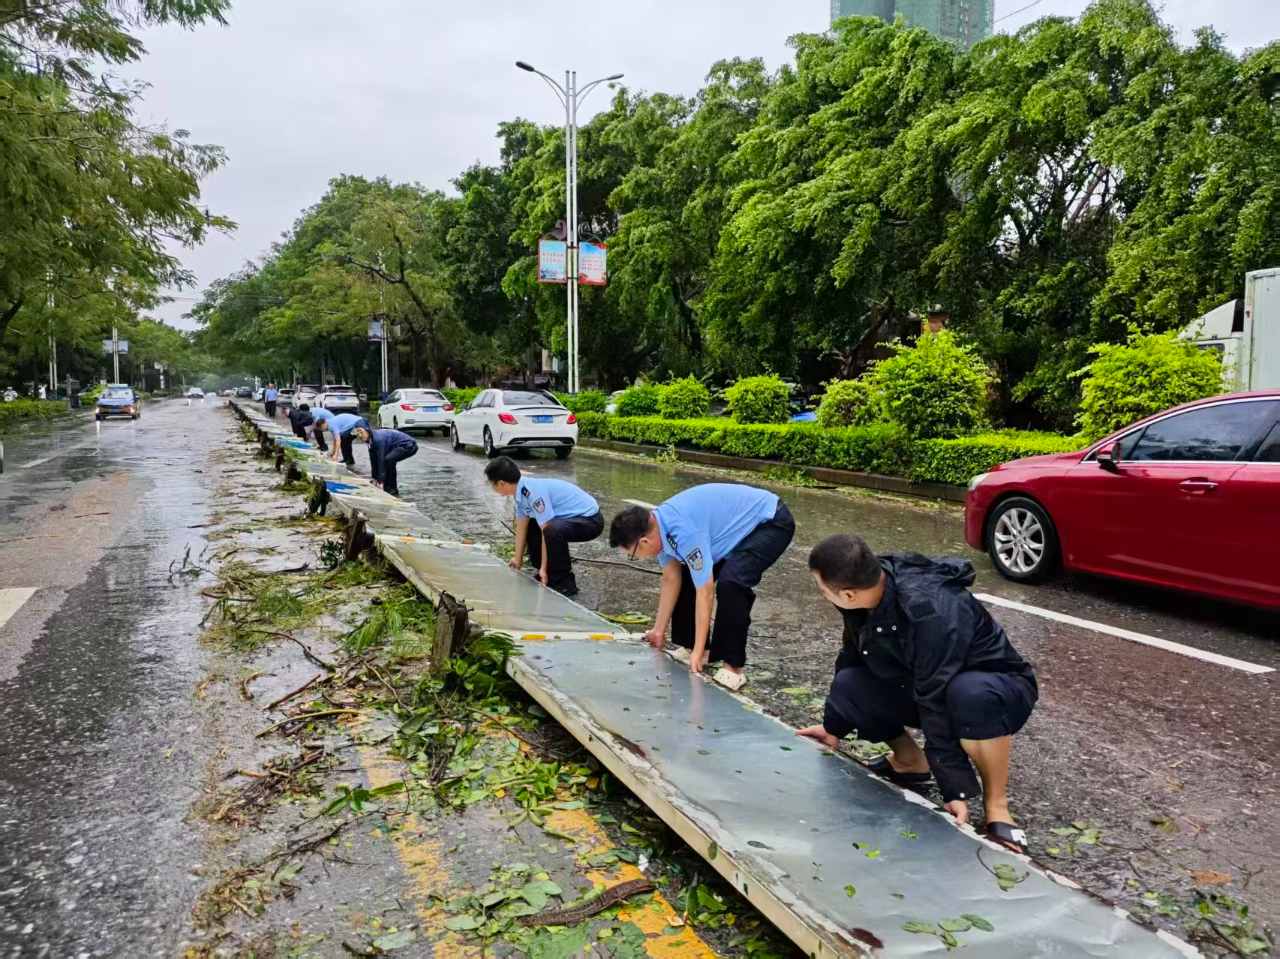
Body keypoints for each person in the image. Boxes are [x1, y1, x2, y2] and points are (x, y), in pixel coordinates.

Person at [797, 533, 1038, 855]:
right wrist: (834, 725)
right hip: (932, 680)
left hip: (996, 689)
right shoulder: (867, 587)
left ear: (849, 593)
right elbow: (853, 653)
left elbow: (933, 696)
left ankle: (996, 804)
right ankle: (910, 763)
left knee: (969, 695)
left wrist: (954, 790)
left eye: (823, 589)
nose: (822, 595)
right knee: (851, 682)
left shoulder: (930, 609)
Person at [608, 484, 794, 691]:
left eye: (633, 555)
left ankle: (732, 667)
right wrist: (658, 631)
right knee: (687, 575)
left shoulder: (684, 532)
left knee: (732, 582)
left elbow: (705, 592)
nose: (637, 557)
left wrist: (697, 652)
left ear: (643, 541)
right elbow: (671, 579)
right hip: (733, 531)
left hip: (770, 521)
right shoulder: (659, 529)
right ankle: (698, 649)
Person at [484, 456, 603, 597]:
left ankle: (563, 582)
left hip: (590, 520)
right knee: (533, 524)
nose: (493, 488)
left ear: (501, 483)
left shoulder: (533, 494)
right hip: (570, 519)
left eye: (492, 484)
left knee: (552, 530)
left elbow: (546, 530)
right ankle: (546, 574)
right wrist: (517, 560)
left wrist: (544, 568)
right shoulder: (521, 494)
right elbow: (522, 528)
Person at [352, 423, 418, 497]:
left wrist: (381, 481)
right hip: (396, 445)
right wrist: (374, 478)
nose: (360, 435)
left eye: (361, 432)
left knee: (388, 460)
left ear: (367, 430)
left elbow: (381, 460)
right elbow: (374, 459)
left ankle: (392, 488)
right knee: (385, 460)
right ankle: (387, 486)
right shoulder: (371, 439)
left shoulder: (378, 439)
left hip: (408, 445)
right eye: (357, 434)